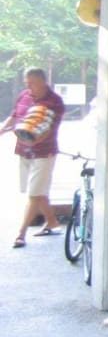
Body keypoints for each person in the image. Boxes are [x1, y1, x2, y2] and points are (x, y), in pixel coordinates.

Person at [0, 68, 65, 248]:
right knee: (38, 190)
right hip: (23, 150)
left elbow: (47, 131)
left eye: (31, 83)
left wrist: (25, 132)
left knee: (34, 193)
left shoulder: (55, 102)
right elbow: (14, 116)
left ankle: (20, 234)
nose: (28, 87)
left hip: (44, 153)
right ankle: (52, 221)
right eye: (26, 83)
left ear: (43, 82)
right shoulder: (24, 96)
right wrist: (3, 129)